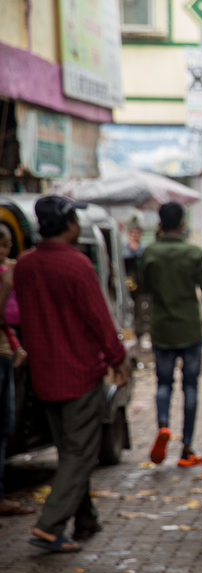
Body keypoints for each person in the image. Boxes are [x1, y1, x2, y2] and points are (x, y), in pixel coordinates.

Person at [16, 196, 128, 552]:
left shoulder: (24, 265)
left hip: (44, 375)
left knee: (70, 452)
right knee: (80, 454)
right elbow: (99, 319)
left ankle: (86, 518)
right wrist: (118, 358)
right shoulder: (76, 265)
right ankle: (49, 525)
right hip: (78, 372)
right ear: (68, 225)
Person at [142, 202, 202, 468]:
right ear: (182, 223)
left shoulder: (150, 253)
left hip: (162, 328)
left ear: (160, 224)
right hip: (189, 328)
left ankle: (164, 426)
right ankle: (187, 447)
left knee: (163, 384)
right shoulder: (194, 253)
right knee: (190, 387)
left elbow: (142, 288)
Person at [0, 224, 31, 517]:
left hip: (8, 353)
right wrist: (9, 283)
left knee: (5, 428)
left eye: (7, 246)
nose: (4, 252)